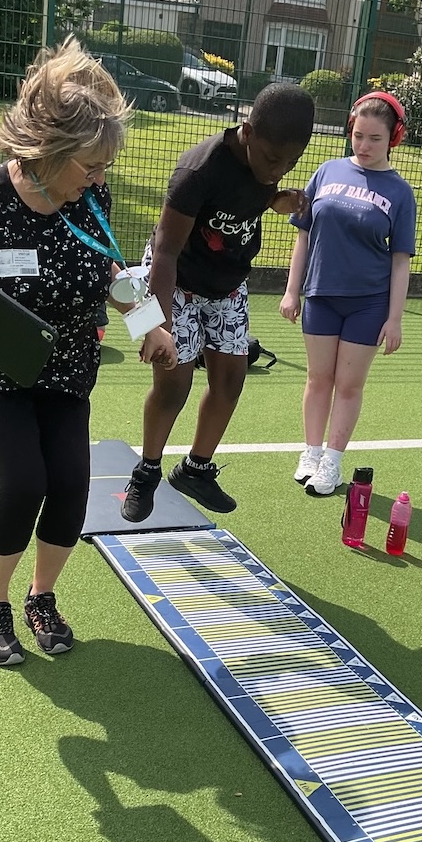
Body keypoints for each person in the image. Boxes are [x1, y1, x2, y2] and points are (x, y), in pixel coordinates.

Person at [0, 36, 177, 666]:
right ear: (48, 151)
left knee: (70, 485)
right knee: (24, 481)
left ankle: (42, 598)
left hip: (65, 367)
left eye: (103, 168)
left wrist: (151, 326)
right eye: (90, 165)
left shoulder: (90, 198)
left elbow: (116, 277)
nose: (99, 178)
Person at [119, 83, 315, 522]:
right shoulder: (198, 171)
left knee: (231, 379)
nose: (278, 169)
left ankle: (196, 468)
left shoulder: (267, 164)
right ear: (247, 132)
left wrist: (275, 199)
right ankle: (147, 471)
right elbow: (166, 250)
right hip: (176, 280)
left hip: (227, 283)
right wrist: (160, 325)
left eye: (290, 162)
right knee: (175, 384)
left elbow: (252, 191)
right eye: (271, 159)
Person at [279, 91, 416, 495]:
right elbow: (302, 236)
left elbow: (400, 260)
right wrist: (292, 291)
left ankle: (333, 462)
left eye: (375, 138)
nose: (364, 145)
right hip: (320, 296)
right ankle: (311, 452)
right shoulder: (326, 172)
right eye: (358, 135)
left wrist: (395, 318)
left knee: (348, 384)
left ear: (393, 138)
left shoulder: (400, 192)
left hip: (369, 303)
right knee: (318, 379)